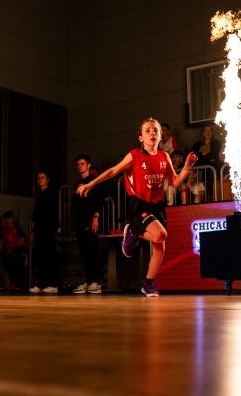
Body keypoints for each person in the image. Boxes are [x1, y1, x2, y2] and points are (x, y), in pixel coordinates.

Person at [77, 118, 197, 298]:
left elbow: (174, 182)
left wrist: (186, 168)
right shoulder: (135, 155)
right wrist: (91, 184)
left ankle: (148, 284)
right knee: (160, 235)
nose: (152, 133)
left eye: (155, 130)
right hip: (140, 204)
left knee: (160, 248)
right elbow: (113, 171)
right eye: (148, 130)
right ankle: (133, 231)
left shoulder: (164, 157)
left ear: (160, 135)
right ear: (141, 137)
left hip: (157, 205)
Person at [71, 153, 105, 294]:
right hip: (80, 222)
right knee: (84, 253)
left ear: (88, 165)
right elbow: (75, 204)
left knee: (93, 251)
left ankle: (96, 282)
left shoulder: (94, 181)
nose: (80, 166)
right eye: (78, 164)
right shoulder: (77, 184)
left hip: (91, 221)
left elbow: (99, 201)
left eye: (82, 164)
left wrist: (96, 217)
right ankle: (88, 280)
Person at [30, 171, 60, 294]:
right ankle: (41, 284)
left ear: (47, 179)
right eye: (39, 178)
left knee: (49, 256)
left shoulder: (51, 193)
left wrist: (54, 227)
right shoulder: (38, 194)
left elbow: (53, 211)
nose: (40, 179)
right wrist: (33, 230)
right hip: (39, 228)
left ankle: (53, 284)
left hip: (48, 228)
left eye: (43, 177)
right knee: (40, 256)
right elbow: (36, 214)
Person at [0, 211, 27, 289]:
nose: (7, 220)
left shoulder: (17, 228)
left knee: (16, 268)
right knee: (8, 269)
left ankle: (17, 284)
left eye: (9, 218)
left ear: (12, 218)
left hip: (16, 252)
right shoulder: (3, 229)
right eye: (6, 219)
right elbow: (1, 240)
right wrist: (0, 251)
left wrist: (18, 247)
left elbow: (22, 239)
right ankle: (10, 284)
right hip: (6, 252)